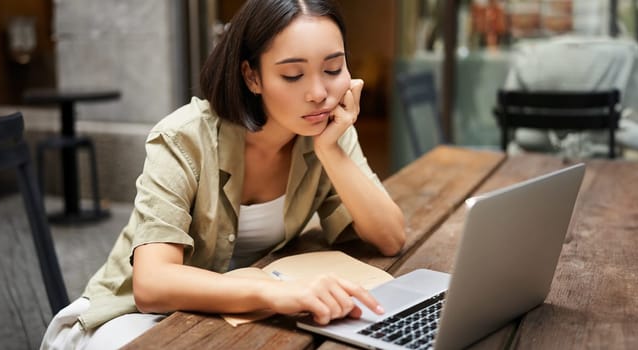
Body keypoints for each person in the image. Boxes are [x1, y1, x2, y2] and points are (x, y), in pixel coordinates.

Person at [41, 0, 405, 348]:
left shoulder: (328, 132)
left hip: (235, 322)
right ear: (251, 76)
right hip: (130, 320)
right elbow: (152, 285)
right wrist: (277, 292)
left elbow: (390, 238)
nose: (319, 93)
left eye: (332, 69)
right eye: (293, 74)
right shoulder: (184, 138)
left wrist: (330, 151)